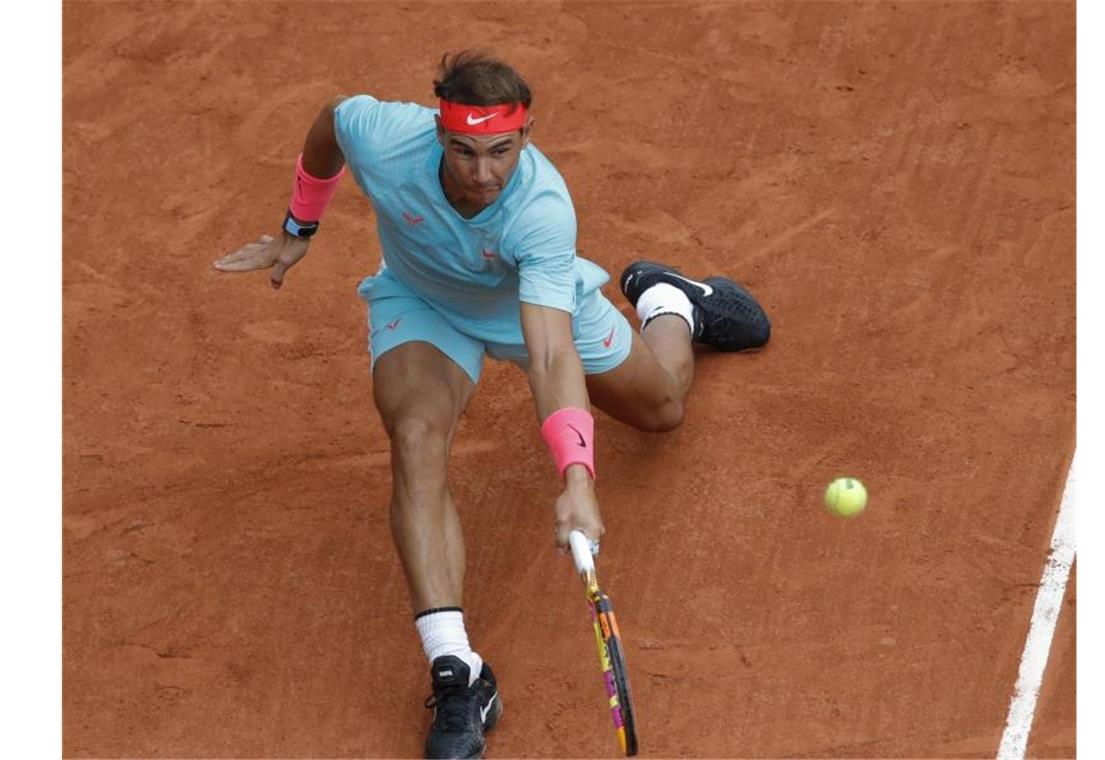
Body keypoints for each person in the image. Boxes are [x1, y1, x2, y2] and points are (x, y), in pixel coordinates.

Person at [215, 50, 770, 759]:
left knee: (663, 410)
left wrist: (576, 479)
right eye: (465, 152)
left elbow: (547, 354)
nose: (483, 175)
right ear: (437, 135)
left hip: (526, 312)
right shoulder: (383, 134)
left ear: (527, 136)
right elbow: (330, 124)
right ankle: (457, 670)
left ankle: (669, 302)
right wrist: (300, 226)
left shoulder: (541, 210)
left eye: (501, 152)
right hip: (423, 303)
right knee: (415, 434)